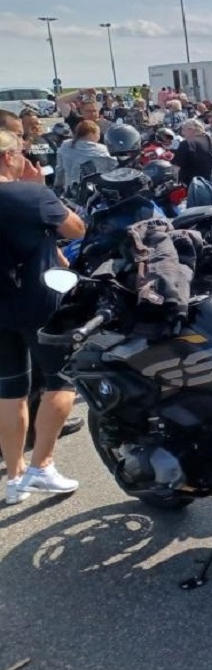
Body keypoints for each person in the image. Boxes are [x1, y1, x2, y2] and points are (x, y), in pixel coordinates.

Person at [0, 128, 87, 505]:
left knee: (9, 392)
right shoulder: (31, 194)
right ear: (8, 157)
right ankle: (42, 466)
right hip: (40, 302)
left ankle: (15, 475)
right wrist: (42, 188)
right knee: (61, 382)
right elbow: (76, 228)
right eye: (21, 152)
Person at [54, 120, 116, 194]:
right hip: (96, 193)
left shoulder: (65, 145)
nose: (99, 137)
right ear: (91, 134)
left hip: (70, 191)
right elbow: (113, 169)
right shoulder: (102, 149)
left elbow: (60, 169)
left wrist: (57, 186)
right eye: (98, 134)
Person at [172, 119, 212, 186]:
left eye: (183, 130)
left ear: (190, 129)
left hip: (195, 188)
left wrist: (174, 183)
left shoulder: (186, 144)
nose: (182, 134)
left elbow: (176, 169)